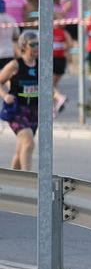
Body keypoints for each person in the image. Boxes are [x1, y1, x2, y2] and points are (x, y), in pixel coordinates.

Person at [0, 31, 41, 170]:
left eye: (38, 44)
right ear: (23, 46)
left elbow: (47, 87)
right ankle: (28, 179)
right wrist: (5, 95)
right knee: (29, 144)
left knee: (21, 148)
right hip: (17, 110)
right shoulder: (15, 65)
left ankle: (11, 180)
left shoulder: (41, 65)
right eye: (33, 44)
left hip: (34, 110)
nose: (36, 47)